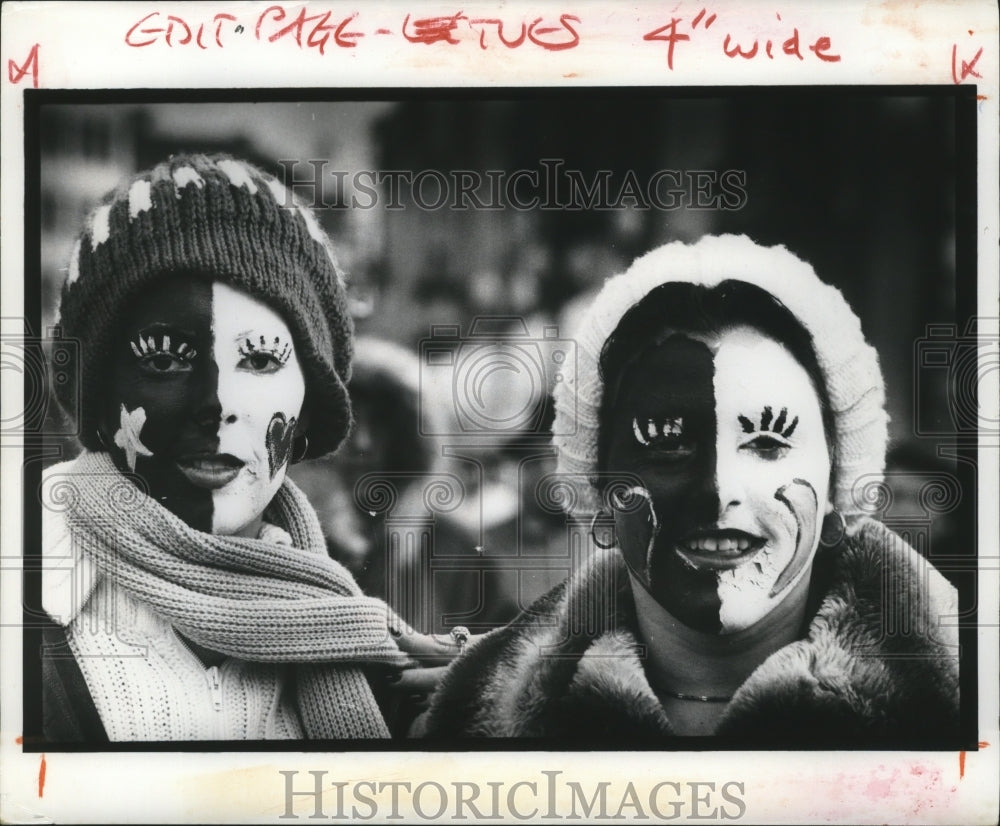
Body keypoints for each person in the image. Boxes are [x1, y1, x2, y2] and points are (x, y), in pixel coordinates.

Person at [419, 234, 959, 742]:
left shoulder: (964, 704)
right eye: (665, 440)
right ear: (598, 481)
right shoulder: (475, 718)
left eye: (769, 441)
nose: (716, 488)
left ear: (838, 476)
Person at [40, 153, 456, 742]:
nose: (217, 403)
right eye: (163, 357)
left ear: (313, 399)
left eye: (260, 359)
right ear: (98, 392)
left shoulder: (366, 643)